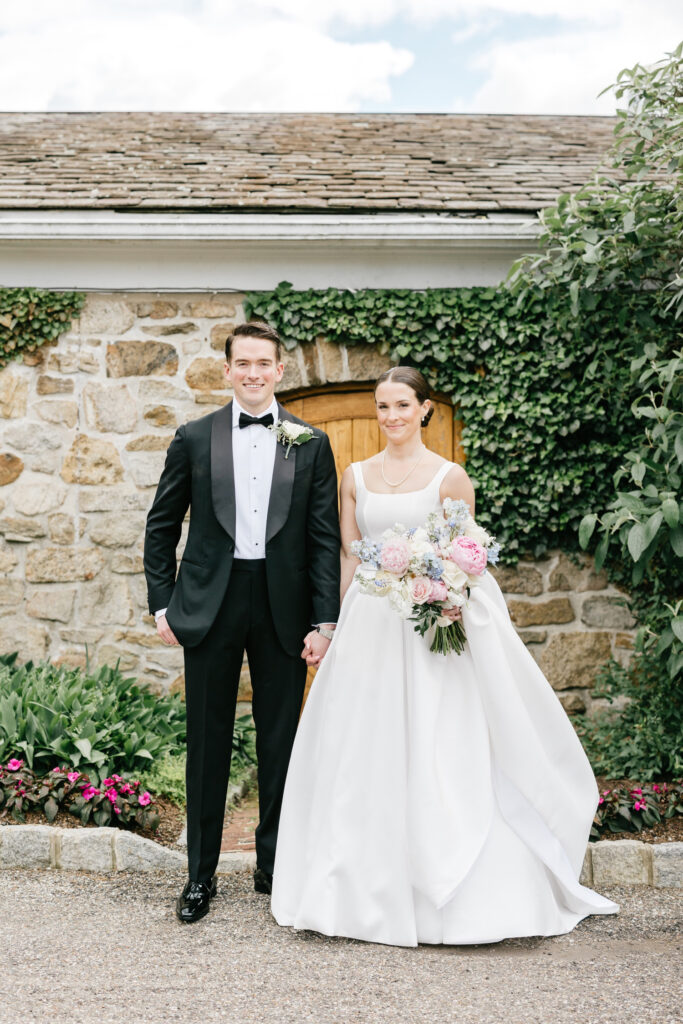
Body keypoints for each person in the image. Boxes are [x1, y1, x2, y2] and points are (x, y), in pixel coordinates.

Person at [271, 366, 618, 947]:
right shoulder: (354, 475)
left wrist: (450, 596)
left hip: (431, 629)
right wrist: (328, 628)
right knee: (365, 748)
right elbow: (350, 559)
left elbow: (467, 555)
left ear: (425, 409)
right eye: (383, 407)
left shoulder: (450, 477)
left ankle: (455, 888)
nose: (391, 417)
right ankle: (358, 891)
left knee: (439, 746)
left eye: (402, 405)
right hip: (371, 627)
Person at [144, 321, 340, 923]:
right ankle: (199, 877)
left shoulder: (310, 442)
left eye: (264, 363)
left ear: (281, 370)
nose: (253, 373)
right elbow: (161, 525)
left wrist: (323, 622)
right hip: (211, 603)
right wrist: (163, 603)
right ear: (226, 370)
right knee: (207, 742)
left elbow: (323, 540)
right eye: (242, 363)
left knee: (280, 741)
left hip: (283, 608)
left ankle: (273, 867)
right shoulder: (194, 437)